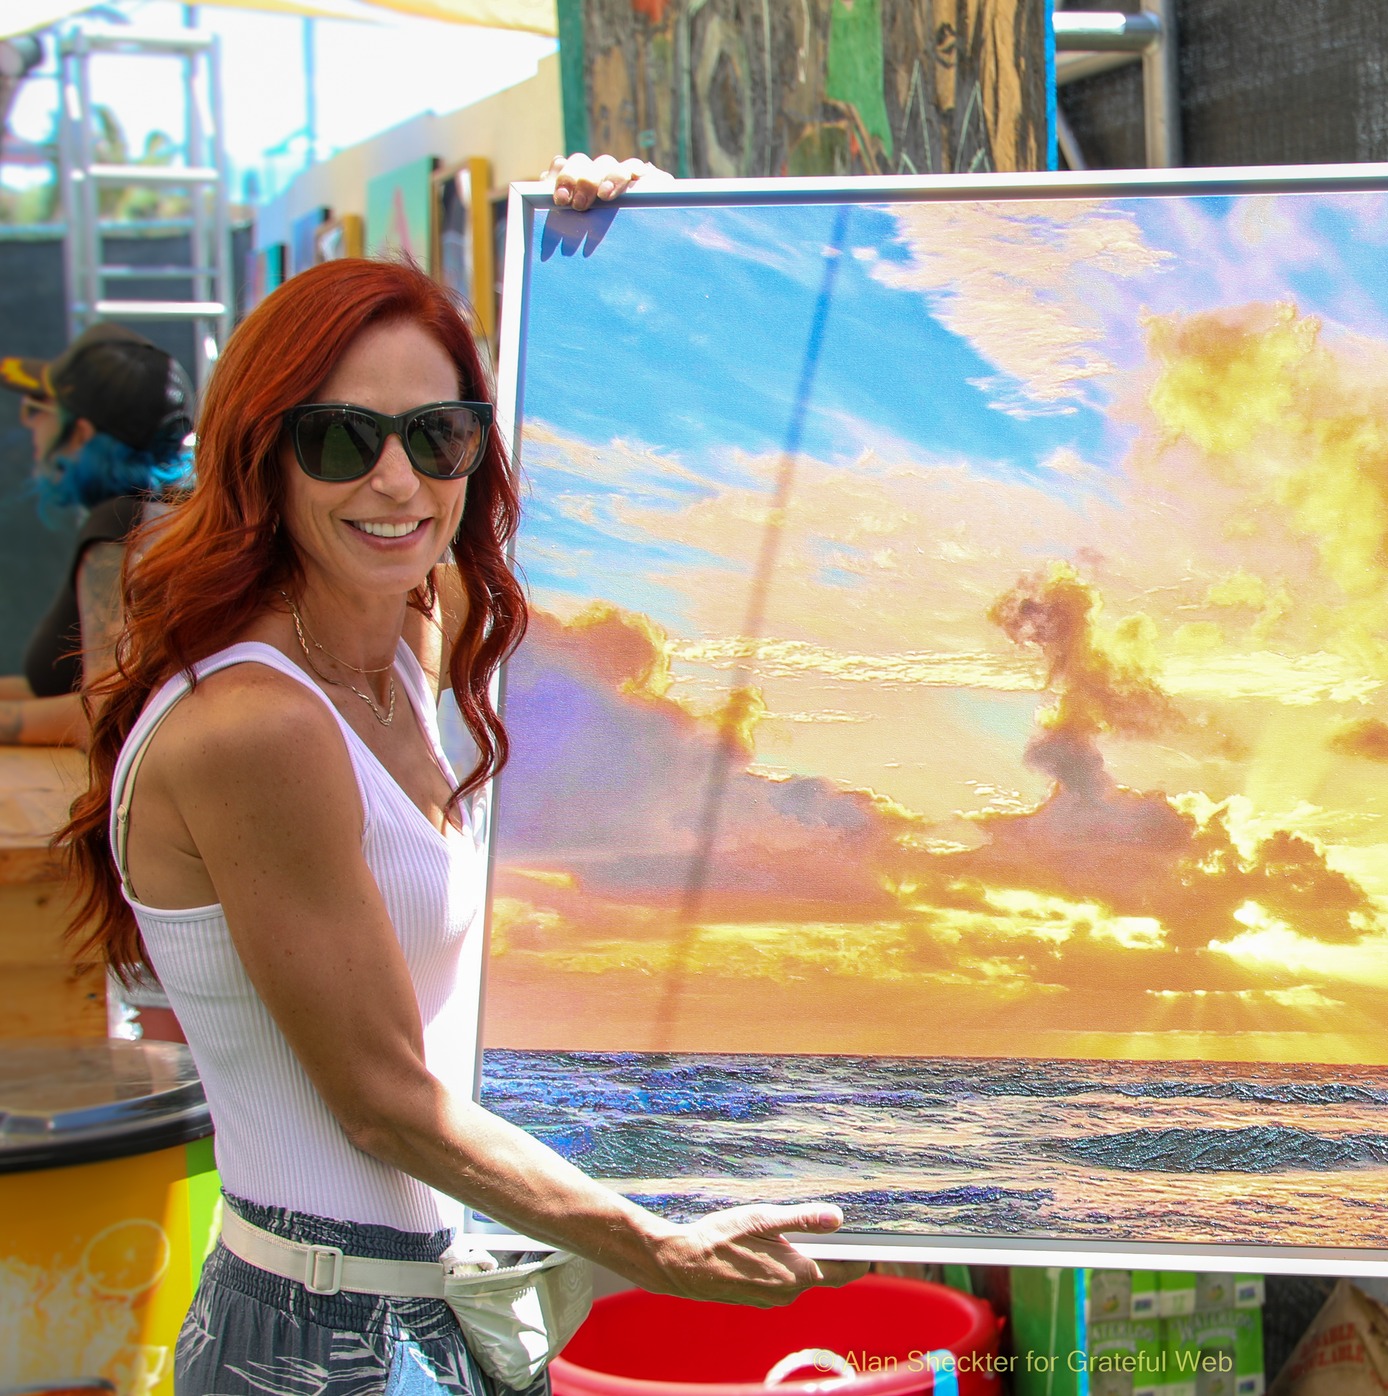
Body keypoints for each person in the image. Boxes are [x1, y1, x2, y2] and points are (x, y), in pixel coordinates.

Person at [60, 155, 863, 1395]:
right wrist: (644, 1242)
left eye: (436, 437)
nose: (397, 481)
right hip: (324, 1337)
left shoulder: (403, 623)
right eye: (340, 439)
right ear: (262, 456)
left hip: (435, 1302)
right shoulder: (258, 727)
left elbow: (661, 467)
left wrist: (632, 245)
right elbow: (381, 1103)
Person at [0, 323, 195, 746]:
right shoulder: (164, 516)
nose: (31, 424)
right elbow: (64, 688)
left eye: (39, 407)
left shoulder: (120, 527)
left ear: (82, 432)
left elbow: (109, 717)